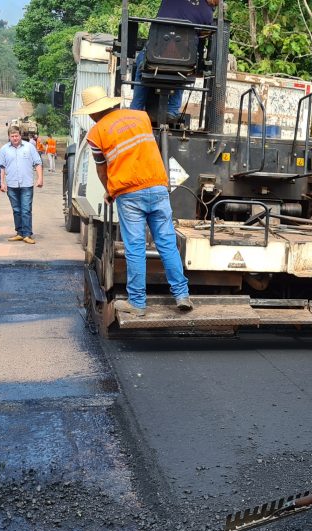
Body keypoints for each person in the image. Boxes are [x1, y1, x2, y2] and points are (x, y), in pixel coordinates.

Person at [75, 86, 192, 315]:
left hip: (129, 194)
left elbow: (102, 169)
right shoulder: (141, 117)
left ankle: (137, 303)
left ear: (92, 112)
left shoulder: (96, 133)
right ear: (110, 103)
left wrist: (110, 190)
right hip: (158, 187)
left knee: (135, 248)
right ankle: (181, 295)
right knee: (167, 244)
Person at [130, 0, 220, 119]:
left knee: (141, 61)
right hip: (183, 62)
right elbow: (202, 36)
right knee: (185, 68)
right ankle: (172, 110)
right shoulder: (207, 12)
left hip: (156, 57)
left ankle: (135, 109)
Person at [0, 126, 43, 244]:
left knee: (26, 209)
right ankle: (20, 233)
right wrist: (1, 182)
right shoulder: (4, 149)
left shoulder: (29, 147)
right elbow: (1, 167)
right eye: (12, 136)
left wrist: (40, 178)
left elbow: (37, 163)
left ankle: (27, 234)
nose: (14, 138)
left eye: (16, 136)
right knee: (16, 210)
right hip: (11, 185)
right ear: (9, 137)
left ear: (20, 135)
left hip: (26, 184)